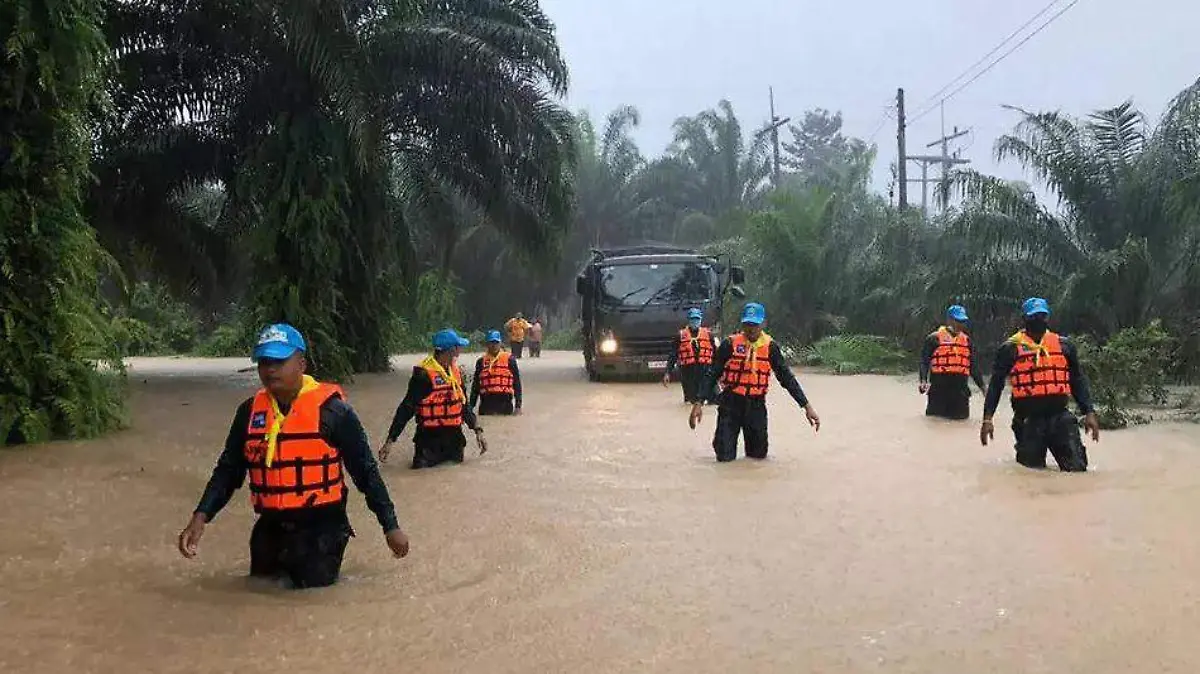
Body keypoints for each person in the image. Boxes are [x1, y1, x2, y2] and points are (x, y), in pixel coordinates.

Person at [176, 323, 409, 589]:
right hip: (270, 529)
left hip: (322, 531)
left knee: (309, 602)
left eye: (278, 360)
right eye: (264, 362)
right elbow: (228, 471)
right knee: (260, 597)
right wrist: (201, 516)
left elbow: (366, 473)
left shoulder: (334, 413)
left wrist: (390, 526)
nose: (270, 369)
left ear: (301, 364)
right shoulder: (249, 413)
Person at [980, 297, 1101, 471]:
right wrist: (987, 419)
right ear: (1025, 319)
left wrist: (1089, 412)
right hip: (1029, 420)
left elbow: (1077, 381)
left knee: (1077, 470)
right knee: (1031, 474)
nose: (1038, 321)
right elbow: (996, 385)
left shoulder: (1064, 346)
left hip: (1060, 417)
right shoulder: (1010, 349)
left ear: (1048, 318)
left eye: (1042, 317)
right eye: (1034, 317)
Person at [689, 302, 821, 462]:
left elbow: (787, 378)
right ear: (742, 323)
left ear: (763, 323)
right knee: (724, 456)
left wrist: (806, 406)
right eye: (747, 324)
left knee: (757, 458)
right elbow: (712, 374)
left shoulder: (771, 347)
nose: (751, 328)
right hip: (731, 403)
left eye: (755, 324)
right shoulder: (729, 345)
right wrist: (698, 402)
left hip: (756, 405)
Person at [379, 329, 486, 469]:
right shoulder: (423, 375)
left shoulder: (455, 372)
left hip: (454, 443)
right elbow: (406, 408)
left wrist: (478, 431)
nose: (460, 350)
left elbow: (463, 405)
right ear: (451, 350)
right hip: (428, 444)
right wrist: (390, 440)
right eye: (458, 346)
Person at [919, 304, 986, 420]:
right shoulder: (933, 339)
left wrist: (983, 388)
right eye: (958, 320)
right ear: (949, 320)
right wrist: (923, 381)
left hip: (960, 393)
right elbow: (924, 362)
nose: (961, 324)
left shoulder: (967, 341)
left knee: (961, 425)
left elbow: (973, 366)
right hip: (939, 392)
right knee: (935, 423)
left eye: (963, 321)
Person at [664, 307, 716, 404]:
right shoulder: (680, 335)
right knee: (690, 400)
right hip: (687, 372)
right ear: (688, 320)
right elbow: (673, 355)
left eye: (697, 319)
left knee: (707, 398)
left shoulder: (709, 335)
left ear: (700, 320)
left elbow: (717, 354)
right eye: (692, 319)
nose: (695, 321)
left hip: (705, 370)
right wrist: (668, 372)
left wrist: (720, 372)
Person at [469, 330, 523, 416]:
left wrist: (518, 406)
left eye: (496, 342)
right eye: (491, 342)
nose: (494, 345)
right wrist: (471, 406)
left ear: (500, 343)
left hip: (505, 404)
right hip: (486, 405)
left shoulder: (510, 360)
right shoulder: (481, 361)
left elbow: (517, 383)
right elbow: (476, 385)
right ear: (487, 344)